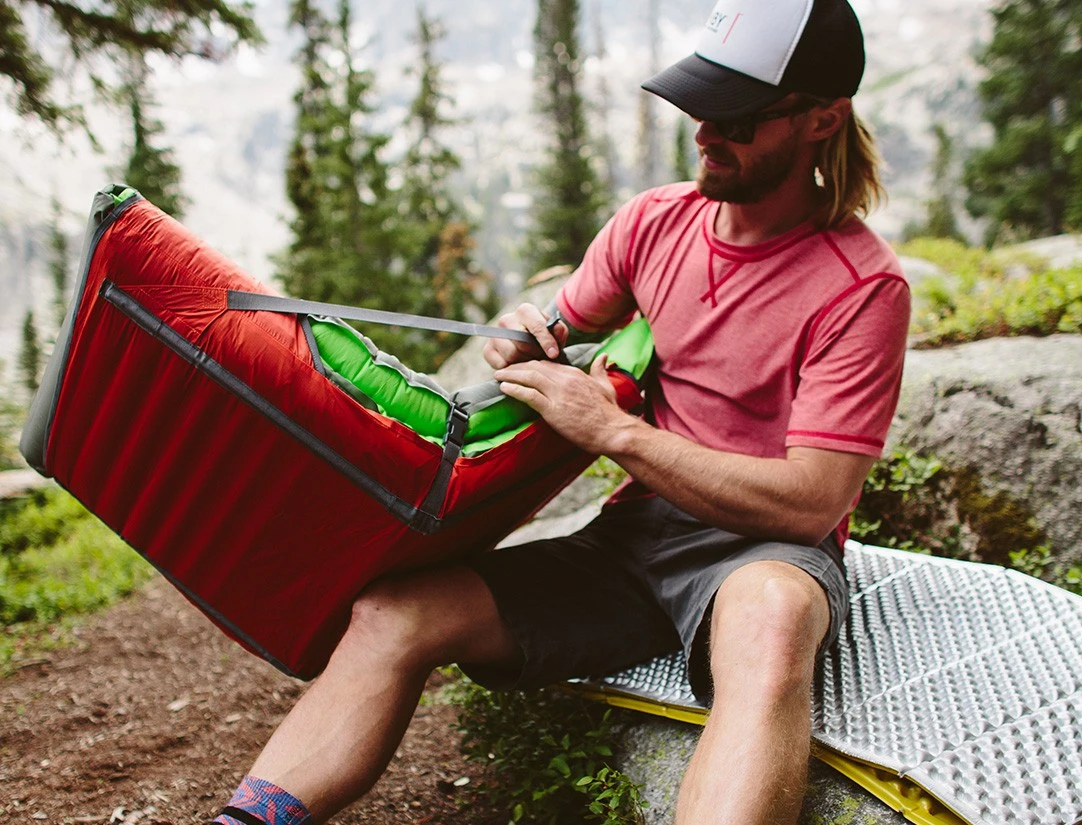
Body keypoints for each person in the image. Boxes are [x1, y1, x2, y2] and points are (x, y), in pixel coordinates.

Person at [210, 0, 910, 823]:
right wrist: (521, 338)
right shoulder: (654, 224)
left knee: (773, 617)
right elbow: (557, 324)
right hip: (634, 542)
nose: (705, 133)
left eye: (738, 117)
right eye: (700, 106)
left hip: (764, 554)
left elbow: (811, 502)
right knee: (394, 611)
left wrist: (614, 431)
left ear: (822, 120)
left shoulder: (862, 287)